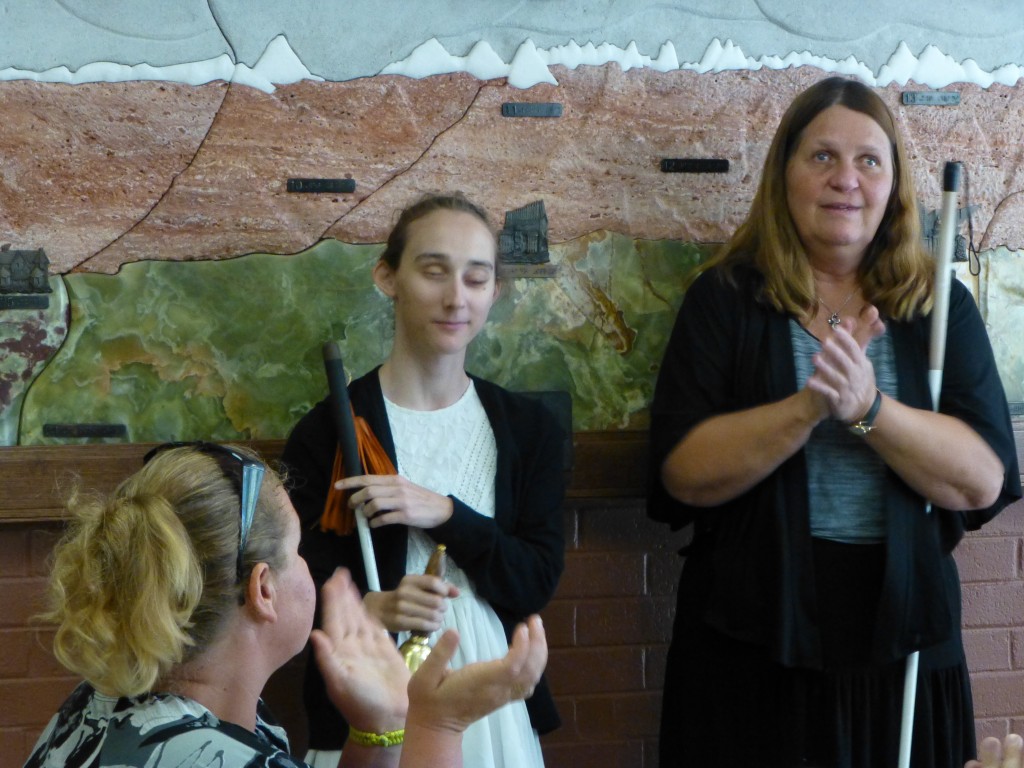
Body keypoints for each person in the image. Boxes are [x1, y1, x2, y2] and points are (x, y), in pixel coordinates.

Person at [647, 76, 1022, 768]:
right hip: (752, 643)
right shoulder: (725, 300)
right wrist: (808, 407)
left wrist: (868, 410)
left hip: (902, 645)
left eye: (868, 161)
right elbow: (682, 474)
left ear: (894, 185)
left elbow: (981, 483)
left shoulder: (938, 307)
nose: (844, 179)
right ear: (783, 174)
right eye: (821, 157)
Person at [25, 442, 548, 768]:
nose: (310, 572)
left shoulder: (97, 702)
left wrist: (380, 729)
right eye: (298, 551)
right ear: (263, 590)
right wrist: (439, 725)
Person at [282, 194, 565, 767]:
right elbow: (293, 591)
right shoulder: (328, 432)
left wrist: (447, 514)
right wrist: (372, 610)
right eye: (433, 271)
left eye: (476, 278)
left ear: (495, 291)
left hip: (493, 704)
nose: (456, 297)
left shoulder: (528, 430)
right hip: (372, 706)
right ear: (388, 276)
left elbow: (533, 582)